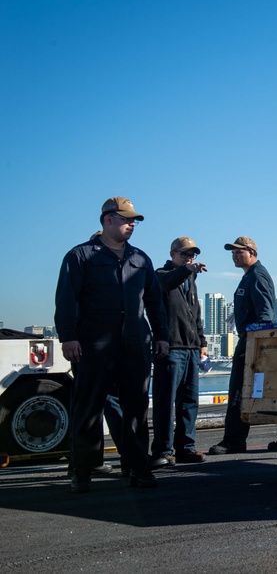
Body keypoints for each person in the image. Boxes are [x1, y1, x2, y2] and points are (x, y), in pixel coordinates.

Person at [54, 197, 169, 493]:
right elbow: (66, 299)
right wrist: (68, 337)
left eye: (135, 220)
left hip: (135, 343)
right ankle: (82, 470)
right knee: (88, 407)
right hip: (94, 343)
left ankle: (138, 467)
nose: (132, 224)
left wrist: (162, 336)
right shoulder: (81, 256)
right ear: (107, 220)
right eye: (126, 219)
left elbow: (155, 302)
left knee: (136, 408)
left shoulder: (141, 259)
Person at [208, 236, 277, 455]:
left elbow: (264, 315)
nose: (234, 256)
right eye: (232, 253)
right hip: (252, 339)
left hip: (253, 341)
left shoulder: (257, 276)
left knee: (238, 391)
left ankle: (234, 441)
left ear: (252, 253)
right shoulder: (249, 276)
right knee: (271, 389)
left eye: (239, 252)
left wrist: (257, 345)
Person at [150, 237, 210, 469]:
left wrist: (202, 342)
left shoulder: (191, 280)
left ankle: (186, 447)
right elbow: (167, 283)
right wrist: (186, 270)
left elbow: (196, 313)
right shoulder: (160, 274)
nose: (189, 257)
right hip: (171, 348)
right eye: (185, 254)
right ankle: (163, 450)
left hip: (192, 349)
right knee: (166, 402)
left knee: (189, 401)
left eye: (192, 255)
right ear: (173, 254)